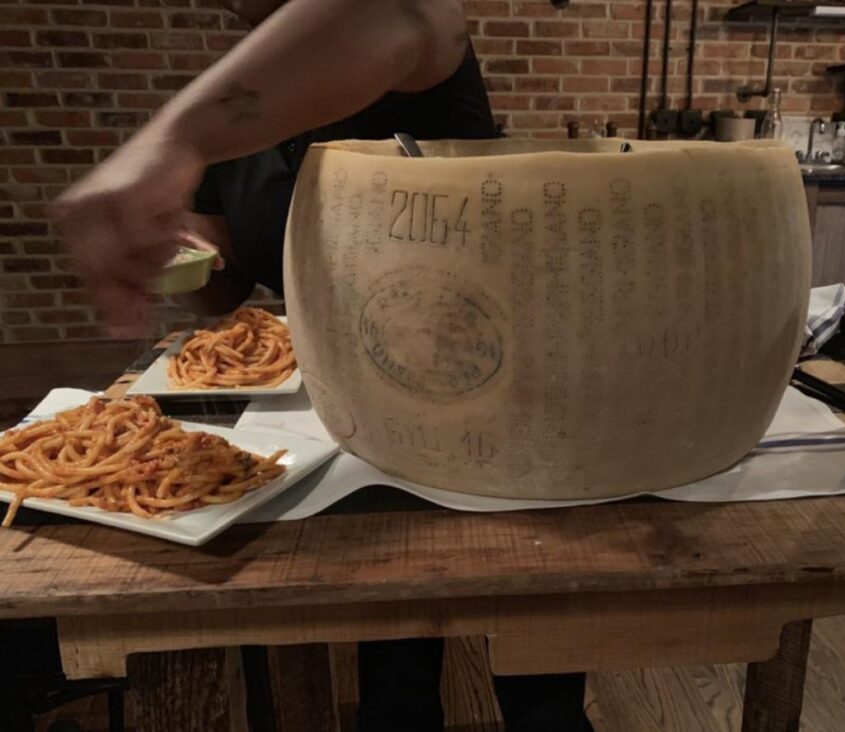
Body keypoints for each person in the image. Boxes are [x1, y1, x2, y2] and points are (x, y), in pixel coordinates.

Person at [54, 1, 594, 730]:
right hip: (347, 403)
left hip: (494, 393)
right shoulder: (236, 104)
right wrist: (173, 248)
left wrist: (163, 141)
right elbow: (225, 279)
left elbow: (404, 13)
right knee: (393, 674)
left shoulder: (373, 53)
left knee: (540, 691)